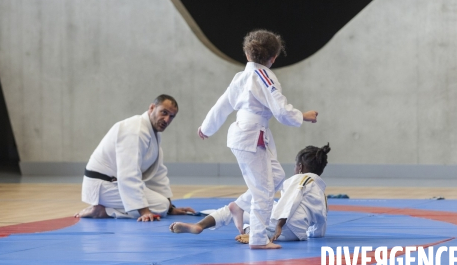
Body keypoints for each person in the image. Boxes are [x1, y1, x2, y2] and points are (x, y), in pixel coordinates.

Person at [197, 29, 319, 249]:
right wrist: (304, 116)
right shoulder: (264, 76)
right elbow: (281, 110)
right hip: (251, 136)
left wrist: (207, 127)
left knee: (277, 175)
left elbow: (222, 105)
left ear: (247, 54)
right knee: (263, 190)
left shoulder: (241, 77)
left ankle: (238, 207)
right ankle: (258, 238)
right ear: (273, 58)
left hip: (245, 135)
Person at [169, 144, 331, 244]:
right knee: (246, 214)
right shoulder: (321, 191)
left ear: (300, 167)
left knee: (237, 209)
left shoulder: (300, 180)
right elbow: (321, 219)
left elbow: (290, 200)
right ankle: (250, 231)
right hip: (296, 235)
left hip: (280, 226)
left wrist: (279, 225)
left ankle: (202, 226)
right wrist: (314, 235)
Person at [74, 95, 195, 221]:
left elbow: (157, 174)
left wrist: (171, 208)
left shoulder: (152, 133)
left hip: (114, 184)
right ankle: (104, 211)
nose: (166, 119)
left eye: (171, 116)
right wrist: (144, 211)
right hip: (102, 185)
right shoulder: (135, 130)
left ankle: (107, 208)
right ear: (152, 108)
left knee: (164, 204)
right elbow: (128, 173)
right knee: (160, 206)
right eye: (164, 113)